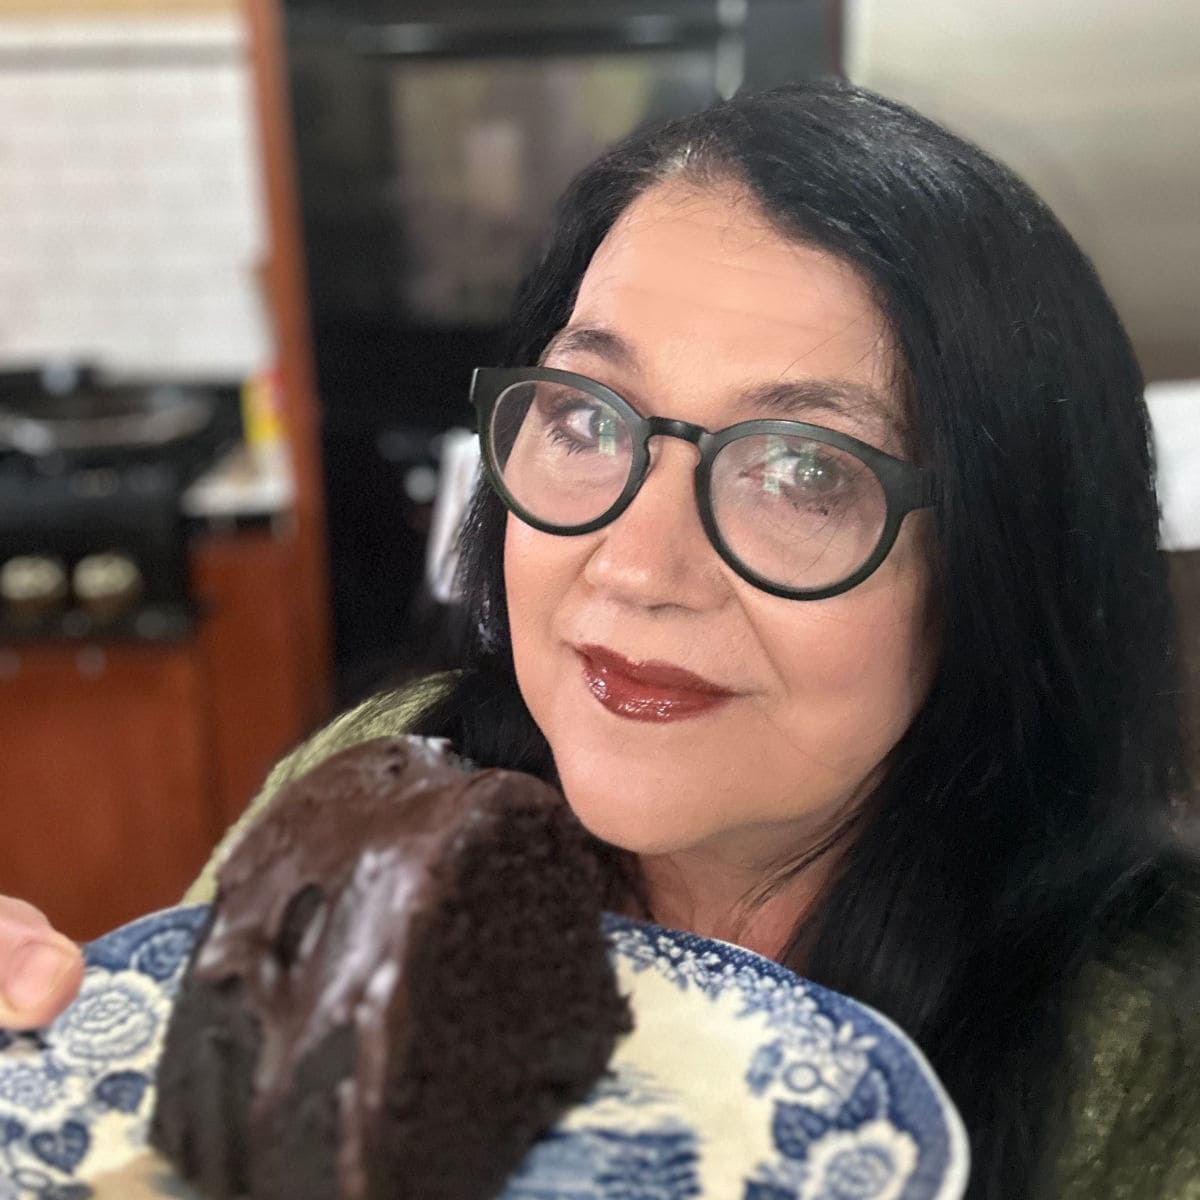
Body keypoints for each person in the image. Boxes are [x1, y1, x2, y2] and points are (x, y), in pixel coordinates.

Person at [3, 80, 1198, 1198]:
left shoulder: (1141, 1063)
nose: (634, 566)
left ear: (1001, 561)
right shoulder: (381, 777)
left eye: (803, 468)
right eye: (586, 414)